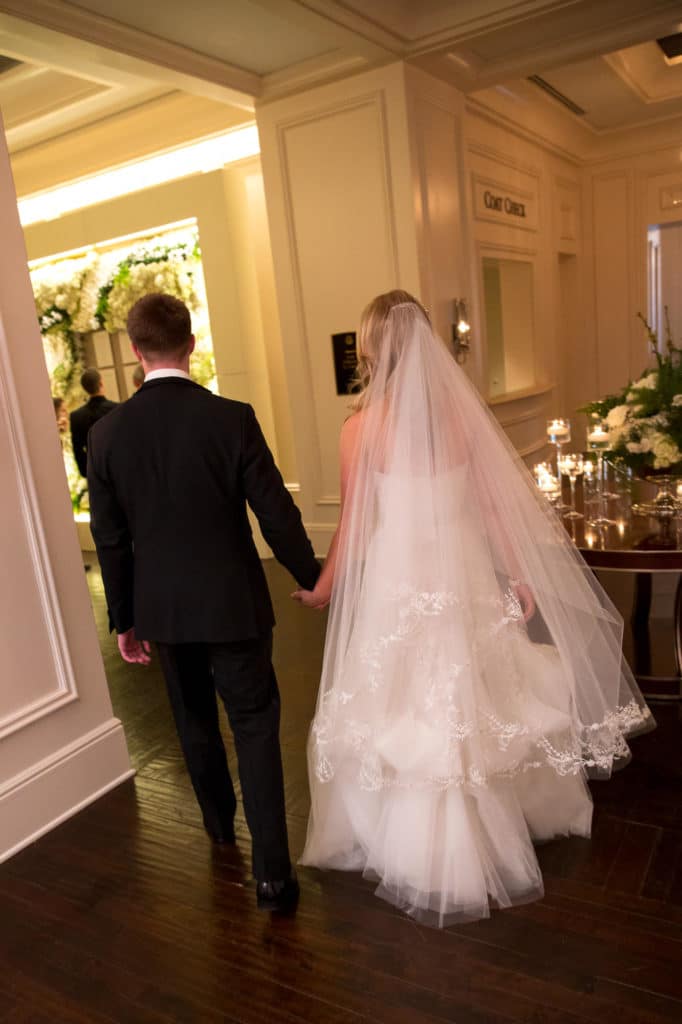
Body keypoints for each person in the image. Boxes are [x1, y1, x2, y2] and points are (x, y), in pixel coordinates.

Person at [293, 289, 653, 927]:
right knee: (475, 693)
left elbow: (352, 523)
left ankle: (417, 841)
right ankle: (491, 825)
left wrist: (323, 590)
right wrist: (518, 572)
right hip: (458, 573)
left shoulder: (360, 428)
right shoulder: (460, 419)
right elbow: (490, 509)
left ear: (372, 347)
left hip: (399, 583)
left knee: (404, 701)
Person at [87, 292, 319, 914]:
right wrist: (314, 576)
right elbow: (277, 514)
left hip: (162, 610)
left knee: (193, 725)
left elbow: (109, 538)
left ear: (136, 354)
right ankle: (273, 874)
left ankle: (220, 833)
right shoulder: (232, 418)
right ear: (191, 344)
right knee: (255, 726)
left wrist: (124, 618)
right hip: (234, 603)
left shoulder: (107, 434)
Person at [70, 368, 118, 477]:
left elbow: (77, 449)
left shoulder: (76, 416)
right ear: (101, 383)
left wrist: (87, 472)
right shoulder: (117, 409)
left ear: (84, 388)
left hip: (94, 471)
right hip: (118, 468)